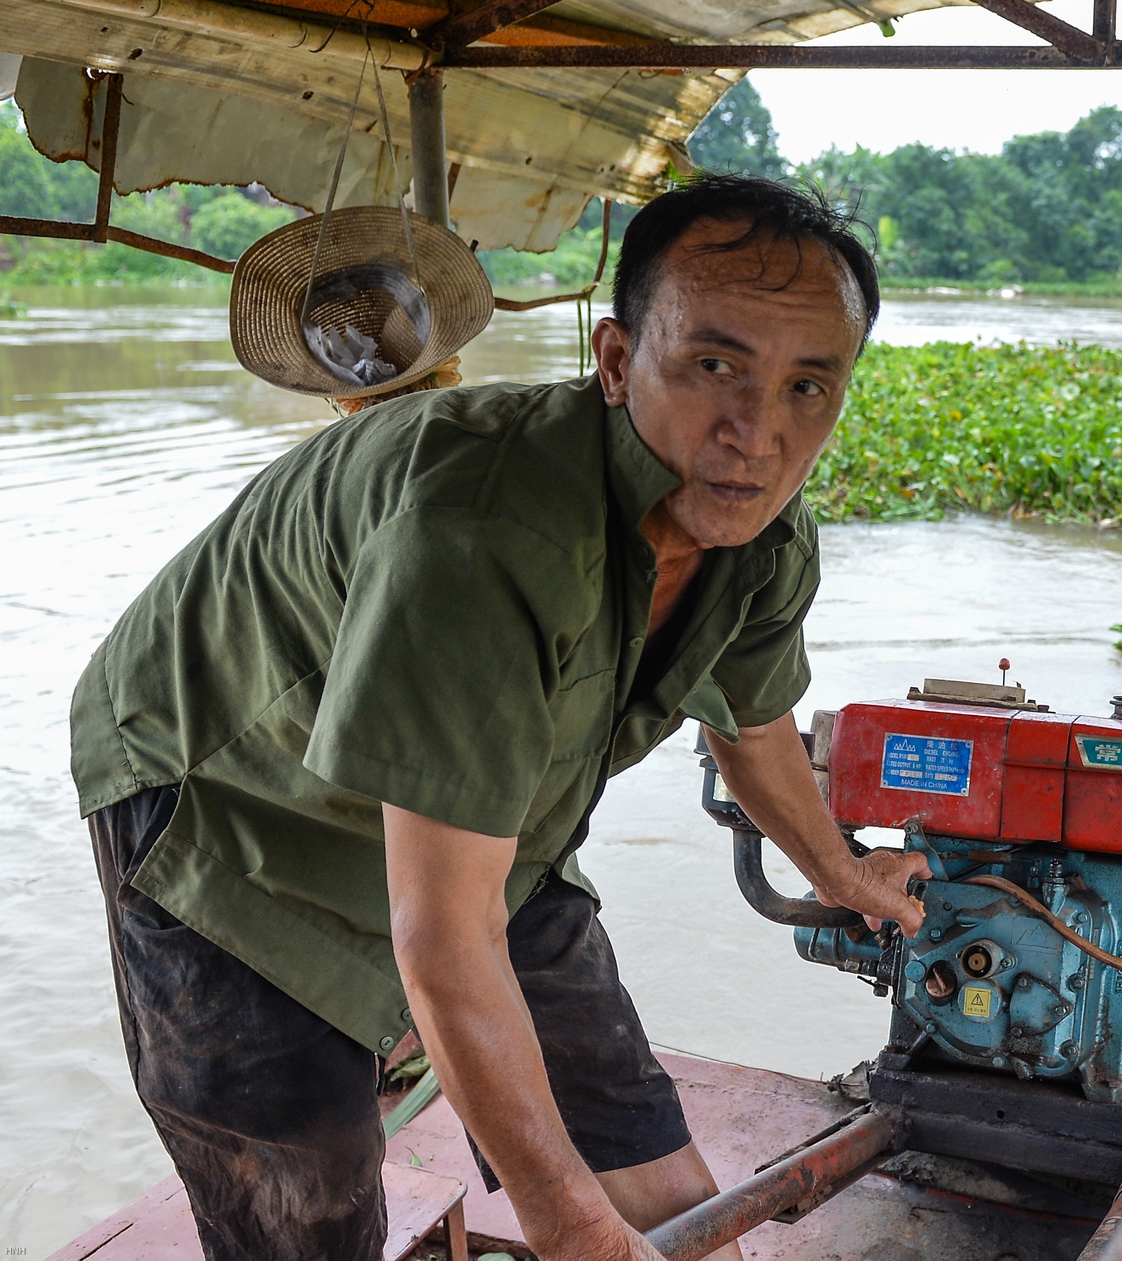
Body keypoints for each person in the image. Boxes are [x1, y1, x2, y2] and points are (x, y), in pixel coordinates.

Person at [71, 174, 932, 1261]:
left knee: (660, 1178)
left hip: (483, 830)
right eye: (714, 365)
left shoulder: (761, 536)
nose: (757, 433)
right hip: (225, 785)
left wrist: (846, 876)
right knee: (304, 1197)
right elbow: (442, 935)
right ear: (617, 362)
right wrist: (566, 1223)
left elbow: (753, 726)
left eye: (808, 385)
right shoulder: (488, 532)